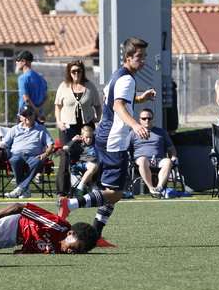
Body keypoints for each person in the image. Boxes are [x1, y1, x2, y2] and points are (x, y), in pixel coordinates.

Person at [57, 37, 157, 238]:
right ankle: (71, 203)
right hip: (113, 139)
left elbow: (115, 99)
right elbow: (117, 105)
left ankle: (96, 233)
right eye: (139, 56)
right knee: (116, 193)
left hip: (105, 136)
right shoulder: (127, 78)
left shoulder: (119, 75)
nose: (144, 60)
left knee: (110, 191)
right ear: (128, 57)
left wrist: (140, 98)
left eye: (145, 56)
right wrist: (136, 125)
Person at [54, 60, 101, 195]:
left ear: (83, 72)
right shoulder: (63, 86)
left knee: (90, 155)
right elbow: (58, 106)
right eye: (73, 71)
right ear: (69, 72)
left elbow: (98, 105)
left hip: (87, 126)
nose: (76, 73)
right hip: (68, 127)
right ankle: (62, 191)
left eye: (79, 71)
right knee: (65, 155)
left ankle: (89, 187)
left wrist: (98, 118)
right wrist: (58, 121)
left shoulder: (90, 86)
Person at [0, 104, 54, 199]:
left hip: (34, 156)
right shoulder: (14, 129)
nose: (28, 117)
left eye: (30, 114)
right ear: (20, 117)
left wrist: (46, 154)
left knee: (38, 161)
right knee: (14, 160)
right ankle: (24, 190)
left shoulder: (41, 129)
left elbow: (50, 145)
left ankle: (19, 189)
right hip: (17, 155)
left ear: (34, 115)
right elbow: (5, 144)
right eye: (25, 115)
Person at [127, 108, 177, 198]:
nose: (147, 121)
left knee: (168, 161)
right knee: (142, 160)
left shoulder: (161, 132)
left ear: (153, 119)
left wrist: (173, 157)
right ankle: (151, 189)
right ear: (140, 120)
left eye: (149, 118)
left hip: (159, 160)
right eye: (144, 118)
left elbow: (171, 148)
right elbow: (125, 149)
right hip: (141, 161)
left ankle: (159, 188)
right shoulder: (133, 133)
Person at [62, 126, 98, 196]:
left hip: (96, 164)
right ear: (82, 136)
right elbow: (65, 148)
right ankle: (80, 187)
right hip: (82, 164)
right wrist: (74, 139)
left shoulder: (96, 143)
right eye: (86, 137)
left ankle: (91, 187)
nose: (89, 139)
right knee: (93, 166)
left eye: (91, 137)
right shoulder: (78, 144)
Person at [15, 50, 50, 123]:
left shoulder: (22, 78)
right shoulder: (40, 77)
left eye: (18, 60)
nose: (16, 62)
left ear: (24, 62)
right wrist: (38, 111)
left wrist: (36, 112)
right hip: (39, 117)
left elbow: (26, 99)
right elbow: (47, 98)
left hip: (26, 116)